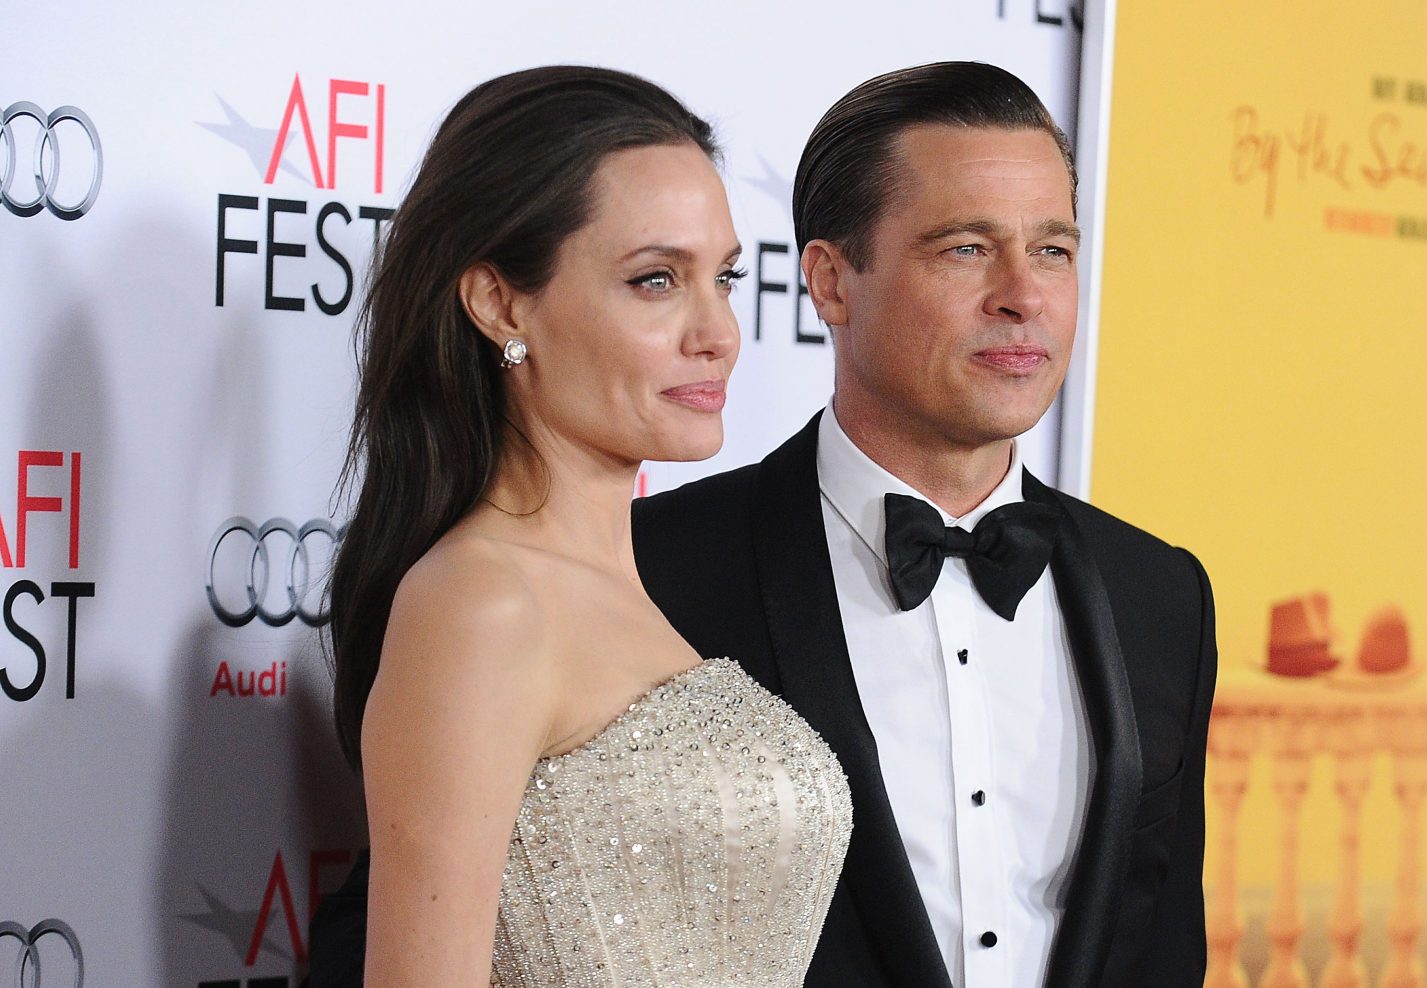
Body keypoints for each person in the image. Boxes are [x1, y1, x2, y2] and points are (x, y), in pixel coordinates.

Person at [312, 61, 1215, 988]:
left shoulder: (1161, 597)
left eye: (1055, 250)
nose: (719, 333)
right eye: (965, 249)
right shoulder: (582, 583)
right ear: (828, 281)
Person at [325, 65, 851, 987]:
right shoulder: (480, 603)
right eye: (656, 280)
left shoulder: (648, 585)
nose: (719, 331)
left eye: (722, 277)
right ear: (500, 303)